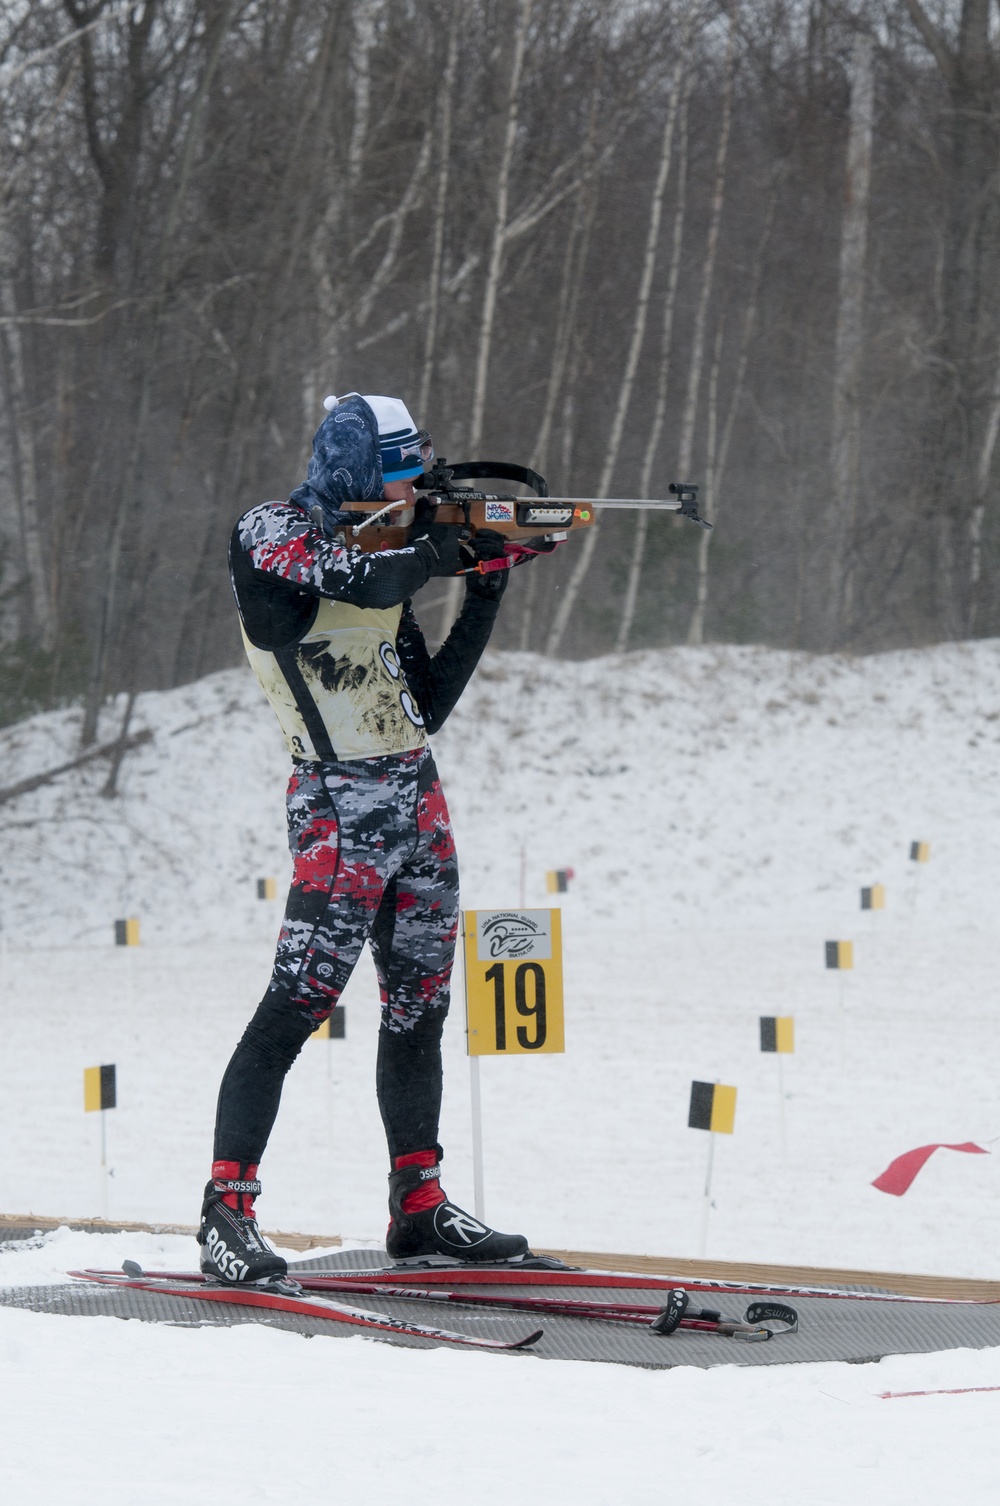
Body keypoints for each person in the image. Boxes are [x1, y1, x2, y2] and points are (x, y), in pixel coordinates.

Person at [198, 391, 539, 1284]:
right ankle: (224, 1215)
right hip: (338, 807)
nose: (408, 497)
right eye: (396, 480)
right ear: (352, 471)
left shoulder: (390, 554)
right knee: (297, 1004)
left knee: (419, 1006)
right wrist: (434, 550)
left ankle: (418, 1204)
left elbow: (424, 706)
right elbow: (364, 577)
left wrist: (484, 590)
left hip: (416, 798)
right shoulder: (275, 532)